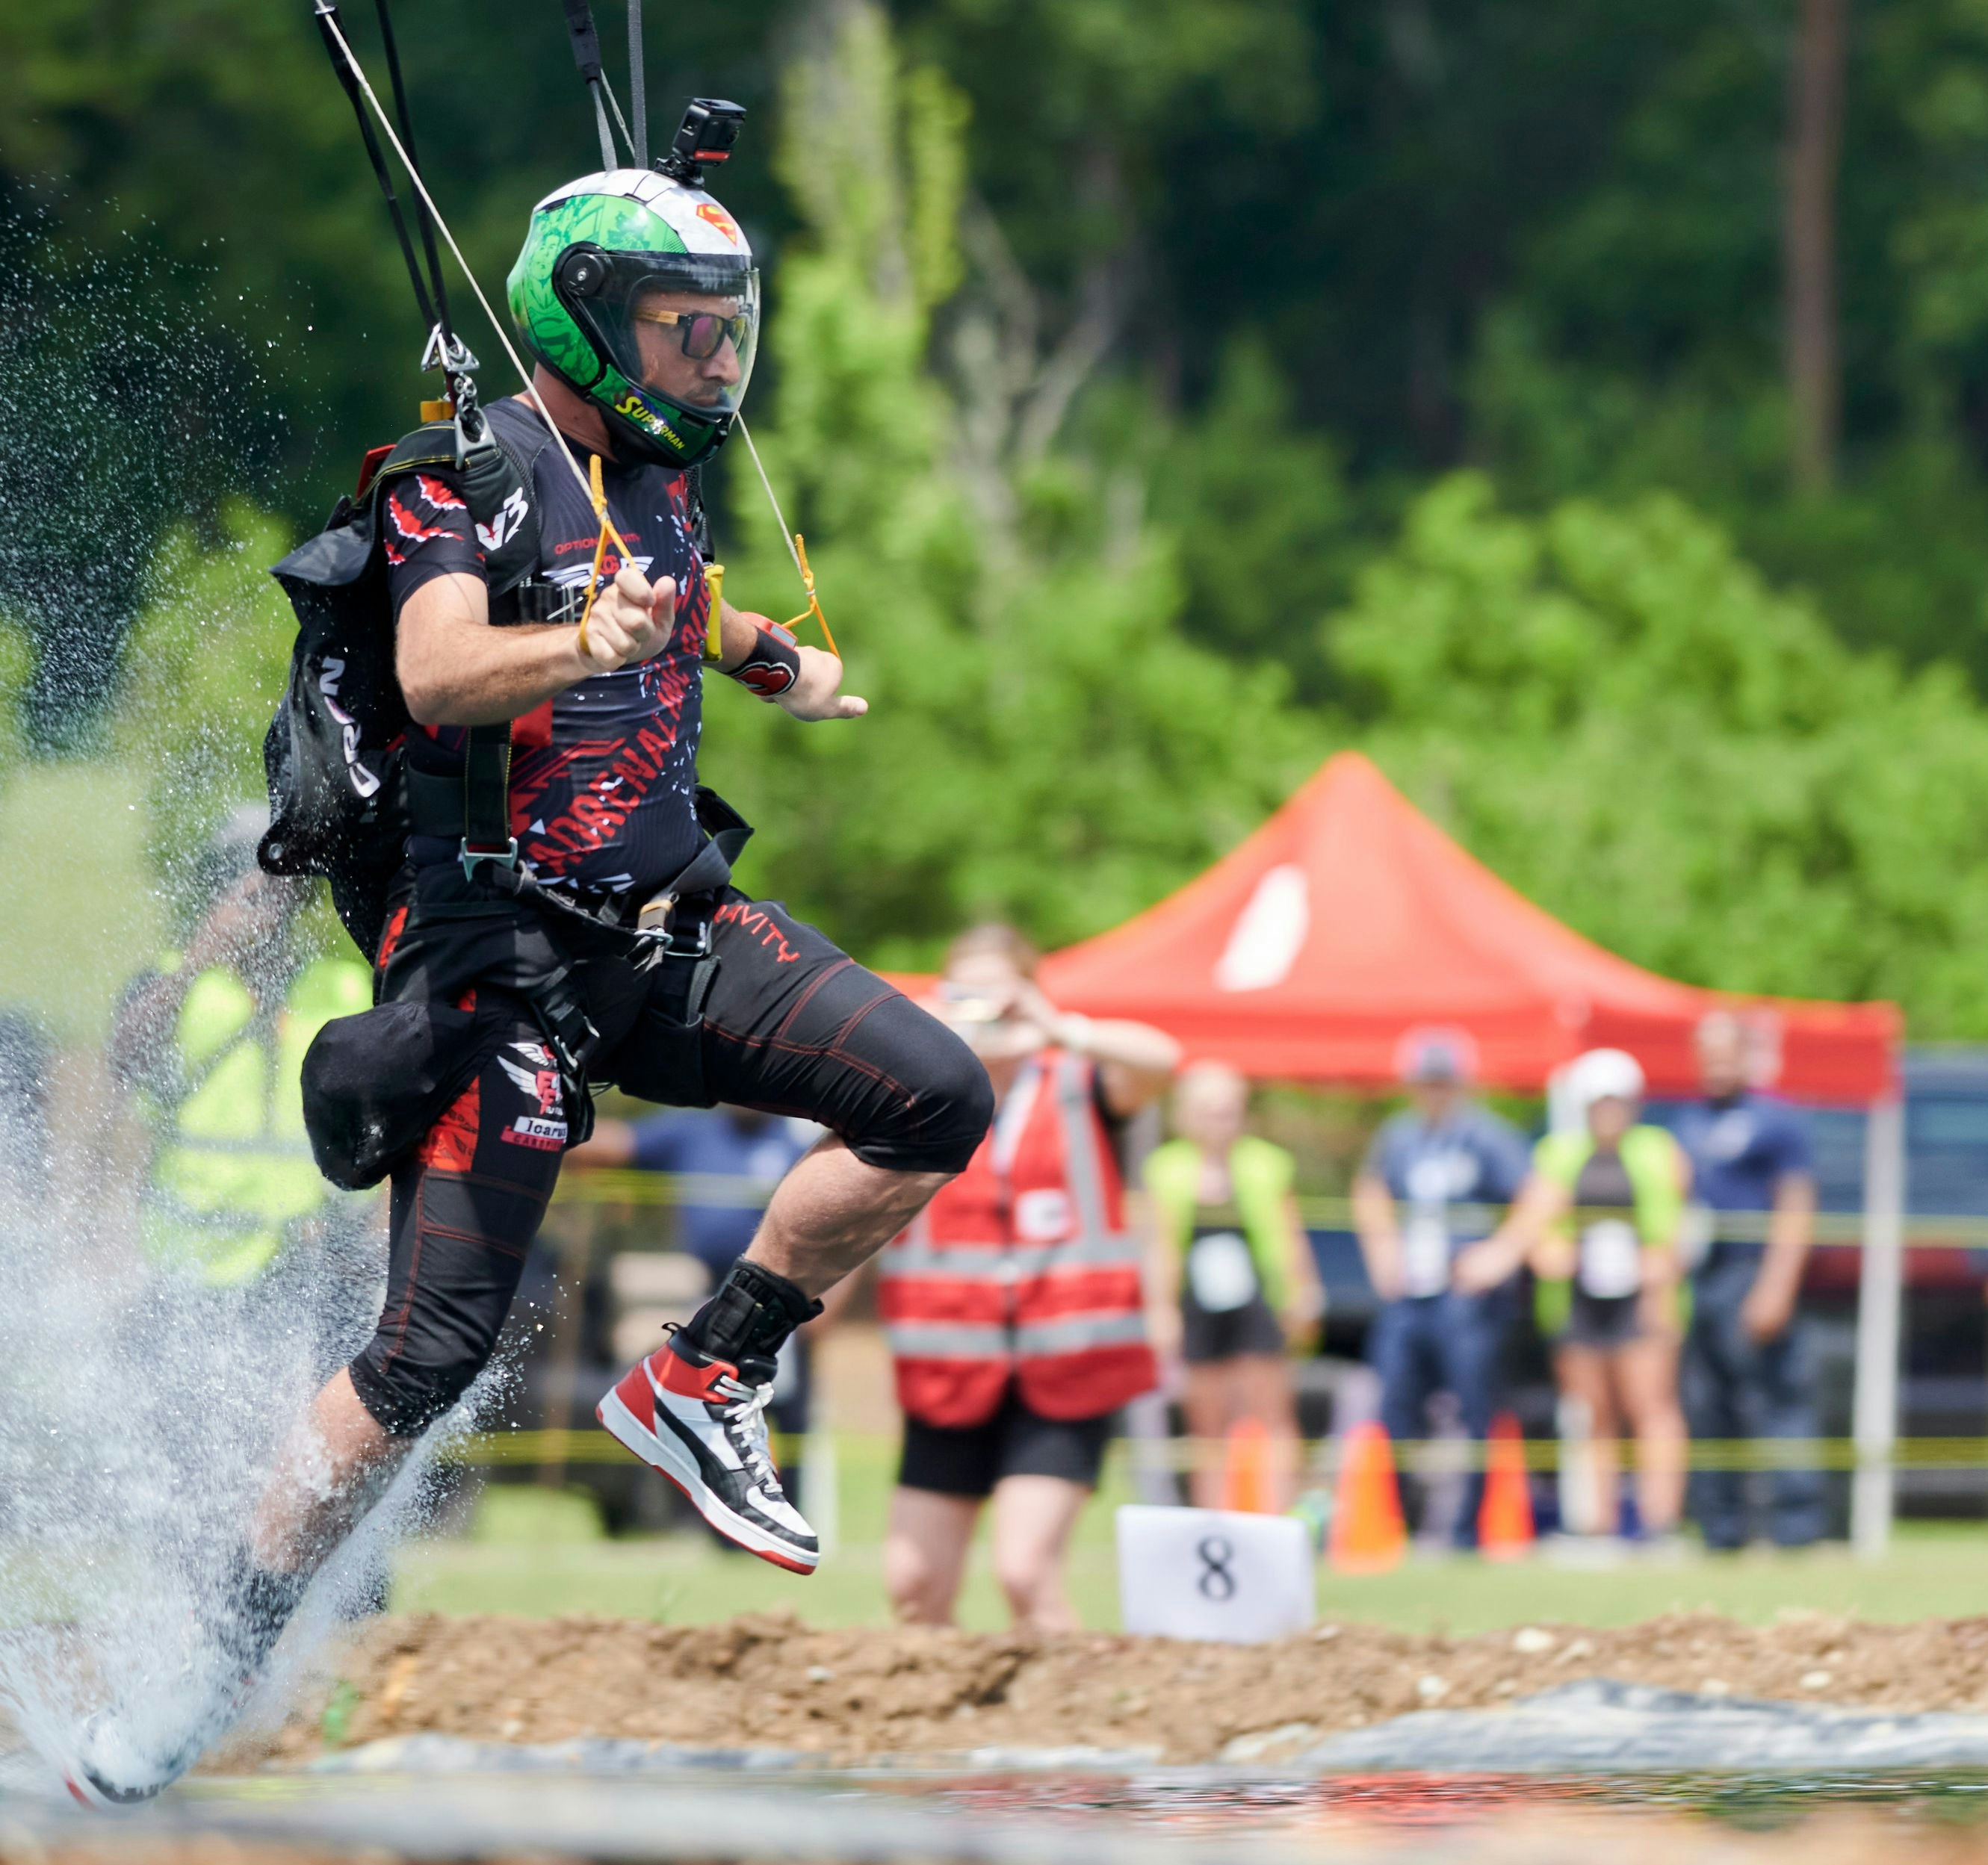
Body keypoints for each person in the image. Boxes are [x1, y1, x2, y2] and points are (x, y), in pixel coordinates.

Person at [69, 161, 992, 1804]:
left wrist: (767, 656)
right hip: (497, 964)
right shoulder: (463, 475)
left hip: (658, 927)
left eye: (730, 335)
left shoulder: (657, 478)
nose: (718, 365)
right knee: (424, 1358)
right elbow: (435, 667)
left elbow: (674, 602)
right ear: (587, 322)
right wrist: (587, 647)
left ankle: (705, 1375)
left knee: (935, 1096)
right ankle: (210, 1650)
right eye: (684, 333)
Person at [879, 925, 1178, 1631]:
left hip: (1066, 1365)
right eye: (966, 993)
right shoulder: (917, 1088)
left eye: (998, 994)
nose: (984, 1009)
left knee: (1025, 1573)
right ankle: (930, 1736)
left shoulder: (1076, 1078)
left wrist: (1054, 1026)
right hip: (949, 1366)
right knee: (913, 1584)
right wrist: (917, 1031)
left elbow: (1162, 1059)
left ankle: (1069, 1730)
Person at [111, 808, 374, 1291]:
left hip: (304, 1263)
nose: (260, 890)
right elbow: (125, 1063)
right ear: (214, 885)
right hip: (187, 1266)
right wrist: (198, 959)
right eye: (239, 872)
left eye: (279, 875)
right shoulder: (170, 982)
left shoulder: (346, 991)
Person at [1458, 1048, 1690, 1543]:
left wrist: (1659, 1266)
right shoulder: (1560, 1153)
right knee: (1592, 1413)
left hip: (1641, 1299)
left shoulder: (1657, 1150)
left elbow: (1682, 1228)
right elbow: (1534, 1217)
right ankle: (1597, 1525)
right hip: (1580, 1301)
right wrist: (1540, 1250)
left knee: (1650, 1408)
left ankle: (1660, 1523)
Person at [1351, 1030, 1532, 1546]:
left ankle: (1464, 1531)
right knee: (1394, 1410)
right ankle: (1403, 1524)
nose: (1435, 1091)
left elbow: (1534, 1194)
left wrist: (1499, 1253)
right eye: (1426, 1081)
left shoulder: (1487, 1136)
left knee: (1474, 1411)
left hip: (1466, 1299)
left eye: (1443, 1081)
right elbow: (1370, 1191)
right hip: (1410, 1296)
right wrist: (1381, 1252)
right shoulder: (1399, 1136)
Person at [575, 1104, 819, 1452]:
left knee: (785, 1420)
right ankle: (695, 1504)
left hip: (786, 1309)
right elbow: (616, 1142)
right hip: (709, 1299)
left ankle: (787, 1501)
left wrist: (830, 1300)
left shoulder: (799, 1140)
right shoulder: (691, 1131)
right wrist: (549, 1126)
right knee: (702, 1414)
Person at [1670, 1011, 1824, 1551]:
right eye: (1705, 1053)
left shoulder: (1775, 1120)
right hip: (1701, 1280)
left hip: (1751, 1274)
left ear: (1745, 1055)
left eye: (1724, 1053)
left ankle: (1795, 1529)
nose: (1715, 1064)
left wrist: (1774, 1287)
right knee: (1706, 1405)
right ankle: (1721, 1529)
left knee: (1776, 1402)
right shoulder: (1686, 1122)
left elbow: (1796, 1204)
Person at [1142, 1061, 1322, 1509]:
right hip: (1198, 1306)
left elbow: (1290, 1236)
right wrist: (1160, 1310)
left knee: (1273, 1415)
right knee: (1207, 1426)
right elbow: (1159, 1246)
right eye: (1208, 1110)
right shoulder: (1165, 1169)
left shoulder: (1267, 1164)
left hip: (1258, 1302)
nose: (1219, 1120)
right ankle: (1212, 1523)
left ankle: (1281, 1517)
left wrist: (1303, 1293)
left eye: (1228, 1109)